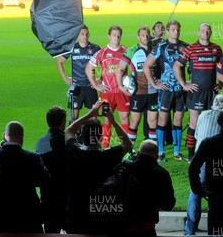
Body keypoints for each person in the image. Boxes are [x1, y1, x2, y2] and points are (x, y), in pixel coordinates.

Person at [65, 100, 132, 234]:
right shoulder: (109, 155)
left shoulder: (76, 152)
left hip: (77, 209)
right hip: (101, 210)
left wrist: (90, 114)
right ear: (101, 137)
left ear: (82, 137)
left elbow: (70, 130)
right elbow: (127, 143)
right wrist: (112, 121)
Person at [0, 121, 49, 234]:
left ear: (4, 136)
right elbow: (45, 180)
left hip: (1, 215)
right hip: (28, 216)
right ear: (22, 136)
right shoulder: (33, 158)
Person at [100, 140, 176, 236]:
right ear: (156, 157)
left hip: (117, 228)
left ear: (139, 152)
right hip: (145, 230)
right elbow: (168, 205)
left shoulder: (121, 168)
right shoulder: (161, 174)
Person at [189, 107, 223, 235]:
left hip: (216, 196)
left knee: (215, 233)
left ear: (218, 122)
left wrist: (199, 191)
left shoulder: (209, 142)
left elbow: (193, 167)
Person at [173, 22, 223, 159]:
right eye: (203, 31)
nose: (205, 33)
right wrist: (184, 84)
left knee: (213, 123)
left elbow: (222, 69)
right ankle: (191, 155)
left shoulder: (217, 49)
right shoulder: (191, 49)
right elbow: (177, 66)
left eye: (208, 31)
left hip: (211, 93)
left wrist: (221, 83)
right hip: (196, 92)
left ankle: (210, 152)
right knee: (194, 122)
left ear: (211, 32)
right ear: (198, 32)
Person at [184, 94, 223, 235]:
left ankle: (190, 229)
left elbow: (197, 135)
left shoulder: (203, 115)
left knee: (195, 193)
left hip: (200, 157)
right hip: (214, 162)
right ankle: (222, 229)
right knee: (220, 195)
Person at [144, 20, 189, 162]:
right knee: (162, 120)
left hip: (180, 89)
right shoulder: (161, 46)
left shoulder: (186, 47)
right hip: (166, 89)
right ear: (168, 31)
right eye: (173, 29)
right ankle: (161, 151)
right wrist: (155, 84)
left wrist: (188, 81)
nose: (176, 32)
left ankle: (176, 152)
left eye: (178, 29)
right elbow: (147, 66)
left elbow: (193, 67)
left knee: (178, 119)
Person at [86, 25, 129, 149]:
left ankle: (126, 147)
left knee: (124, 118)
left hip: (122, 92)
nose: (116, 37)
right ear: (109, 36)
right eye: (114, 35)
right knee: (106, 120)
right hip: (107, 93)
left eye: (118, 35)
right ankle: (105, 147)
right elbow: (89, 68)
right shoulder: (102, 52)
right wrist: (95, 84)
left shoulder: (126, 51)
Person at [118, 25, 159, 143]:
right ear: (138, 36)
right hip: (138, 92)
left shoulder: (155, 50)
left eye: (147, 35)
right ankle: (130, 151)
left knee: (153, 122)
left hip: (153, 92)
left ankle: (153, 150)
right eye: (142, 35)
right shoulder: (132, 50)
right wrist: (121, 86)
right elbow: (120, 69)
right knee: (134, 122)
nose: (145, 37)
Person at [56, 24, 101, 123]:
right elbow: (59, 62)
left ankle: (91, 138)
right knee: (73, 119)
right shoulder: (72, 48)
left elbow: (105, 64)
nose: (85, 36)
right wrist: (65, 78)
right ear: (77, 35)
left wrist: (100, 79)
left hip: (90, 87)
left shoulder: (95, 48)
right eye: (82, 34)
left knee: (93, 118)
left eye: (86, 34)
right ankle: (73, 138)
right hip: (76, 87)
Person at [35, 106, 68, 233]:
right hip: (65, 198)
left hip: (47, 198)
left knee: (50, 233)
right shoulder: (67, 140)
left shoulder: (40, 142)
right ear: (63, 121)